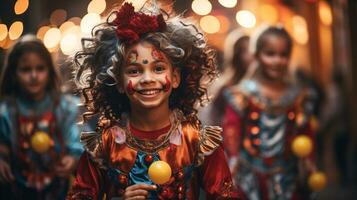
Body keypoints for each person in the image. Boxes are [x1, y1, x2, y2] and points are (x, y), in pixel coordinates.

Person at [67, 2, 241, 200]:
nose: (147, 79)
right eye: (134, 71)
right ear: (119, 82)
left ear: (175, 77)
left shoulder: (196, 140)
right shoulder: (105, 144)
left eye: (158, 68)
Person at [222, 26, 318, 199]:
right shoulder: (243, 94)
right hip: (249, 175)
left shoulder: (298, 96)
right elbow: (231, 128)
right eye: (270, 54)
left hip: (289, 174)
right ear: (256, 54)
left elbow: (305, 132)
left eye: (283, 55)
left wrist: (309, 160)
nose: (277, 61)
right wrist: (233, 159)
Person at [0, 35, 83, 199]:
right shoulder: (6, 112)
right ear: (13, 73)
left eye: (40, 68)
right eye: (25, 69)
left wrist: (73, 157)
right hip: (17, 191)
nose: (34, 75)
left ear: (49, 70)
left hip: (60, 190)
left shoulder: (65, 107)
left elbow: (77, 139)